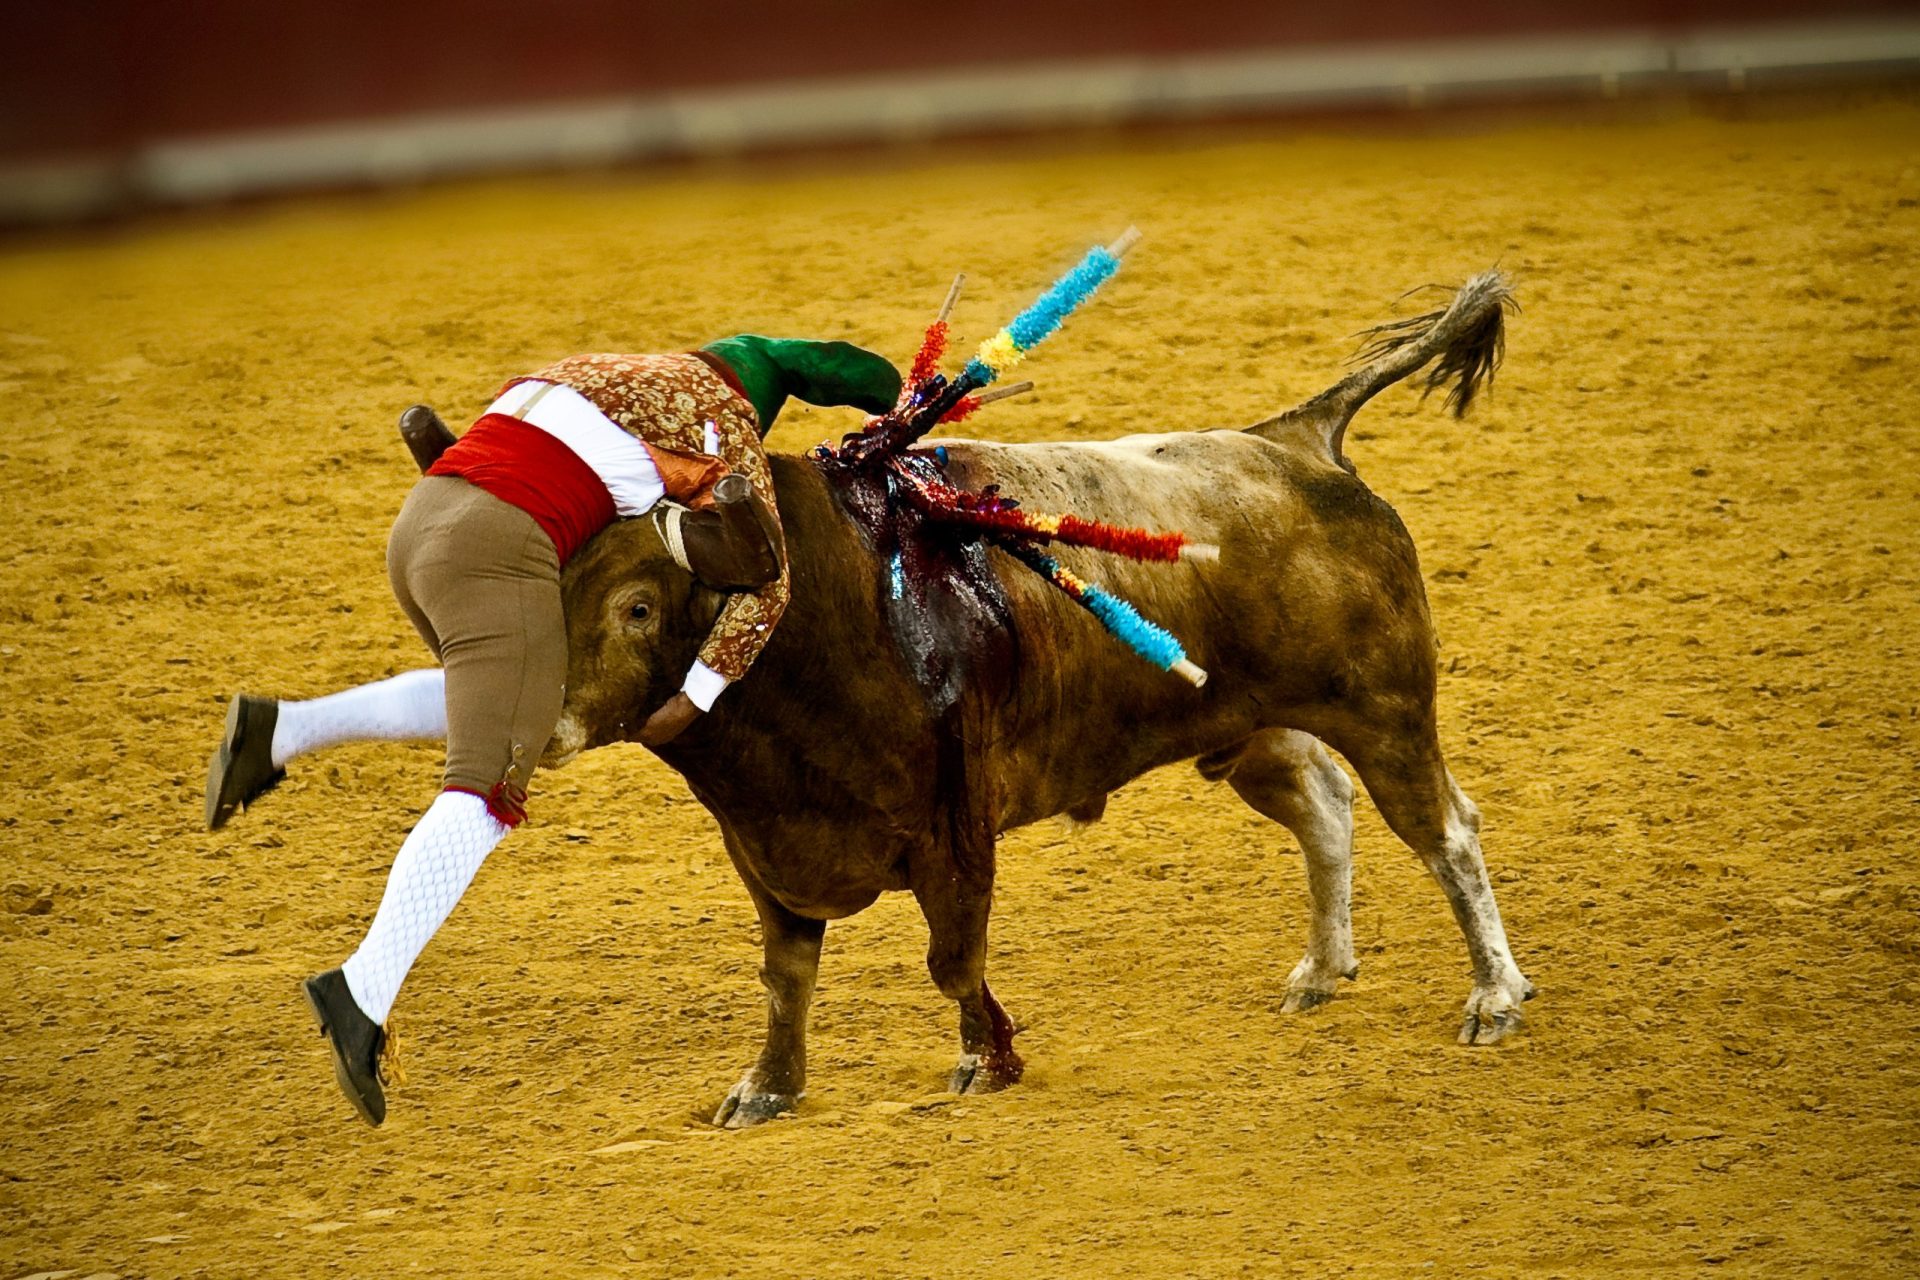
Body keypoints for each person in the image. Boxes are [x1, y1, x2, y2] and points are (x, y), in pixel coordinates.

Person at [206, 336, 901, 1126]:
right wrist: (699, 695)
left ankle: (279, 732)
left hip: (422, 529)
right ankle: (361, 990)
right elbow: (766, 581)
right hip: (500, 551)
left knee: (503, 702)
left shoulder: (594, 367)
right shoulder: (725, 418)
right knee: (487, 785)